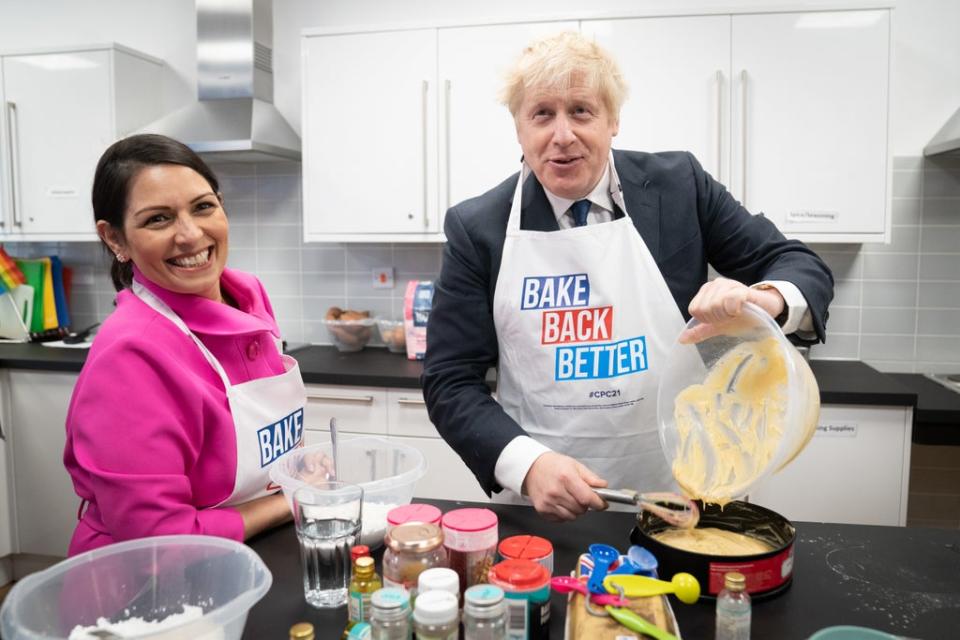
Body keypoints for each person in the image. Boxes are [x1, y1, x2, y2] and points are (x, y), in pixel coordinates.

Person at [421, 32, 834, 522]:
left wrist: (766, 299)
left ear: (613, 120)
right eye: (542, 114)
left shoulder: (681, 187)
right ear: (518, 128)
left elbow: (797, 263)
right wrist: (528, 466)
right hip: (542, 506)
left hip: (679, 492)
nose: (562, 135)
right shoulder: (479, 227)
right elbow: (449, 380)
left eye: (581, 111)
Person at [63, 134, 305, 555]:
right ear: (116, 239)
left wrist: (296, 471)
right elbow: (157, 535)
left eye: (203, 206)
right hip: (150, 584)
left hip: (249, 551)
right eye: (158, 219)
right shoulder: (130, 355)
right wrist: (287, 502)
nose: (191, 235)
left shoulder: (248, 296)